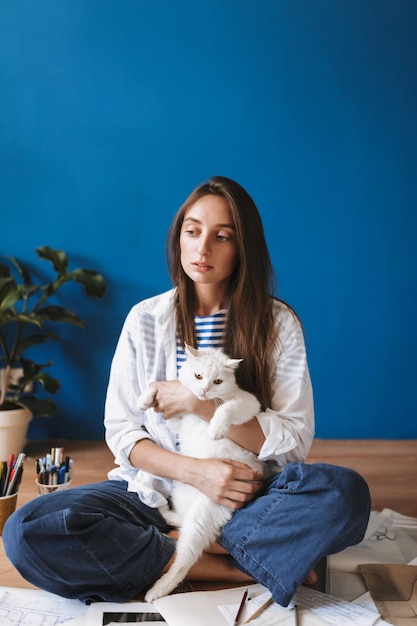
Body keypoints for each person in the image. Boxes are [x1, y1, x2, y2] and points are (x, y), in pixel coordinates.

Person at [3, 175, 371, 607]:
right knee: (27, 530)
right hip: (157, 494)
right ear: (179, 237)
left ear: (243, 247)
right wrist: (196, 473)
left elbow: (292, 444)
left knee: (345, 494)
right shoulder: (145, 319)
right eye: (193, 232)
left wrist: (200, 404)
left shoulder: (277, 323)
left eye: (222, 236)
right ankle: (225, 561)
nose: (202, 249)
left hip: (249, 497)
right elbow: (123, 434)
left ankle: (169, 548)